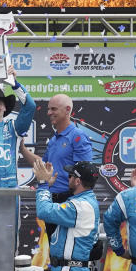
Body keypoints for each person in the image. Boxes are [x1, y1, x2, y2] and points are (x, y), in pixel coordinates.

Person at [33, 159, 101, 271]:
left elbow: (44, 211)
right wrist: (48, 186)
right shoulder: (83, 201)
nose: (67, 178)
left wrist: (43, 183)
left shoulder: (80, 205)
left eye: (70, 176)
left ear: (77, 181)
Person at [41, 93, 92, 237]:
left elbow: (86, 174)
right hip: (53, 201)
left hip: (69, 201)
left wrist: (73, 202)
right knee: (55, 248)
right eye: (48, 109)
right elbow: (42, 164)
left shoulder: (78, 137)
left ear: (67, 109)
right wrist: (22, 148)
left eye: (53, 109)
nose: (49, 113)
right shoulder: (53, 140)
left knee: (69, 250)